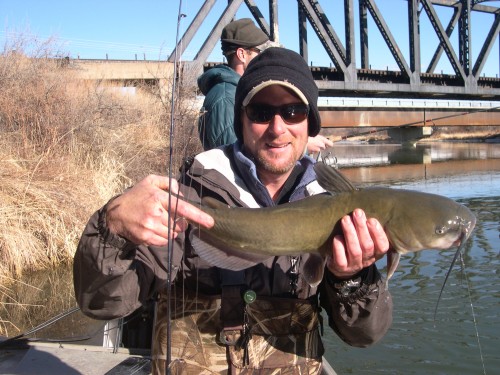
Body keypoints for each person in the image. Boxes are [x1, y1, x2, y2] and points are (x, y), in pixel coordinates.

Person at [74, 47, 393, 374]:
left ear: (310, 123)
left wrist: (352, 279)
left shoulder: (335, 210)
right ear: (241, 119)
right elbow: (100, 303)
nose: (278, 127)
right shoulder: (188, 198)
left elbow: (365, 335)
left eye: (294, 111)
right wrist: (110, 229)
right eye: (261, 112)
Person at [197, 18, 333, 153]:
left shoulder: (235, 92)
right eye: (259, 52)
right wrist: (303, 147)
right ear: (242, 54)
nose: (264, 58)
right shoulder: (226, 98)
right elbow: (236, 159)